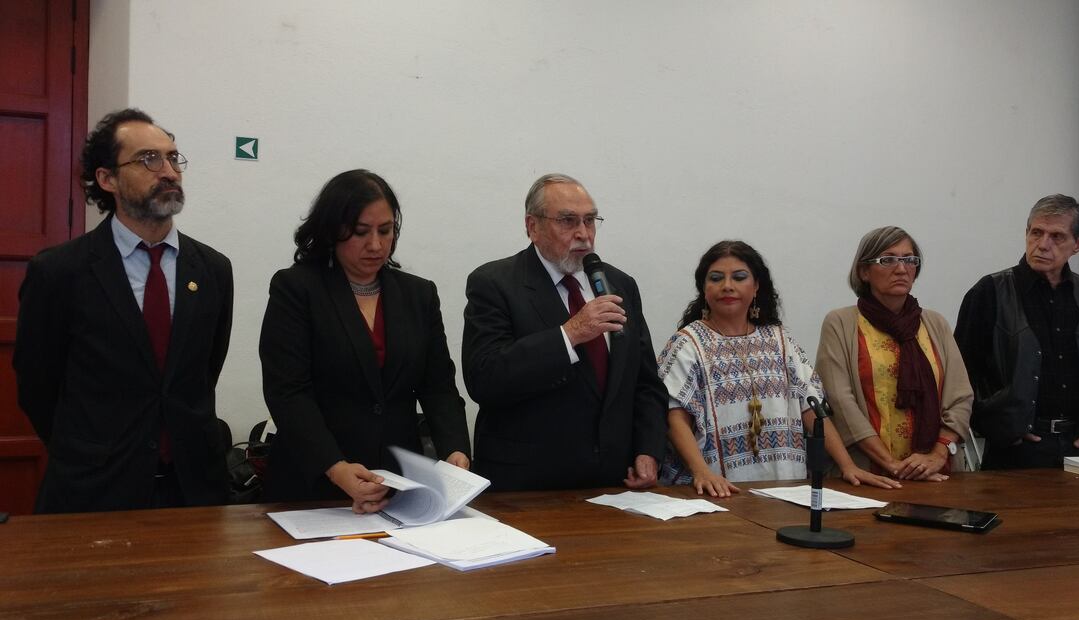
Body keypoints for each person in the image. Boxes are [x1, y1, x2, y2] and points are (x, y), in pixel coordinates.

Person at [13, 108, 234, 513]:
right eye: (149, 159)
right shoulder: (60, 272)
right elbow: (37, 386)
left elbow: (202, 373)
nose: (168, 171)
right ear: (107, 178)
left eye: (172, 158)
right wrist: (88, 450)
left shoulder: (213, 269)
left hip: (193, 491)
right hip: (94, 491)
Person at [259, 169, 470, 513]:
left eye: (385, 231)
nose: (376, 244)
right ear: (332, 231)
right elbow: (288, 392)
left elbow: (438, 386)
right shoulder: (296, 289)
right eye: (360, 232)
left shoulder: (419, 294)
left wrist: (454, 450)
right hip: (316, 481)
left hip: (398, 483)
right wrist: (335, 467)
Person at [462, 173, 667, 491]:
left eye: (590, 221)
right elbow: (485, 378)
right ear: (533, 226)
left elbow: (644, 384)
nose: (583, 234)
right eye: (568, 221)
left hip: (614, 482)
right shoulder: (494, 283)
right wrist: (569, 334)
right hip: (528, 485)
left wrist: (648, 450)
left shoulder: (619, 285)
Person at [658, 240, 899, 497]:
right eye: (716, 278)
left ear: (756, 286)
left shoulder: (780, 340)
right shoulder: (688, 342)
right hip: (716, 489)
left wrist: (847, 465)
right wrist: (701, 471)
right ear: (704, 289)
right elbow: (674, 415)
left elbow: (811, 407)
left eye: (739, 277)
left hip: (784, 487)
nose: (727, 286)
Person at [955, 195, 1079, 469]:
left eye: (1057, 236)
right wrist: (998, 427)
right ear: (1026, 233)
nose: (1043, 245)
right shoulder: (990, 292)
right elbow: (961, 372)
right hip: (1017, 449)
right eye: (1036, 233)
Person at [816, 227, 973, 482]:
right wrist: (893, 465)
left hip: (937, 472)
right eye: (887, 260)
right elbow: (841, 402)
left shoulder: (935, 323)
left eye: (909, 260)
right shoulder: (841, 323)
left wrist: (937, 454)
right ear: (863, 271)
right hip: (869, 473)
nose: (901, 269)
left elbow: (960, 397)